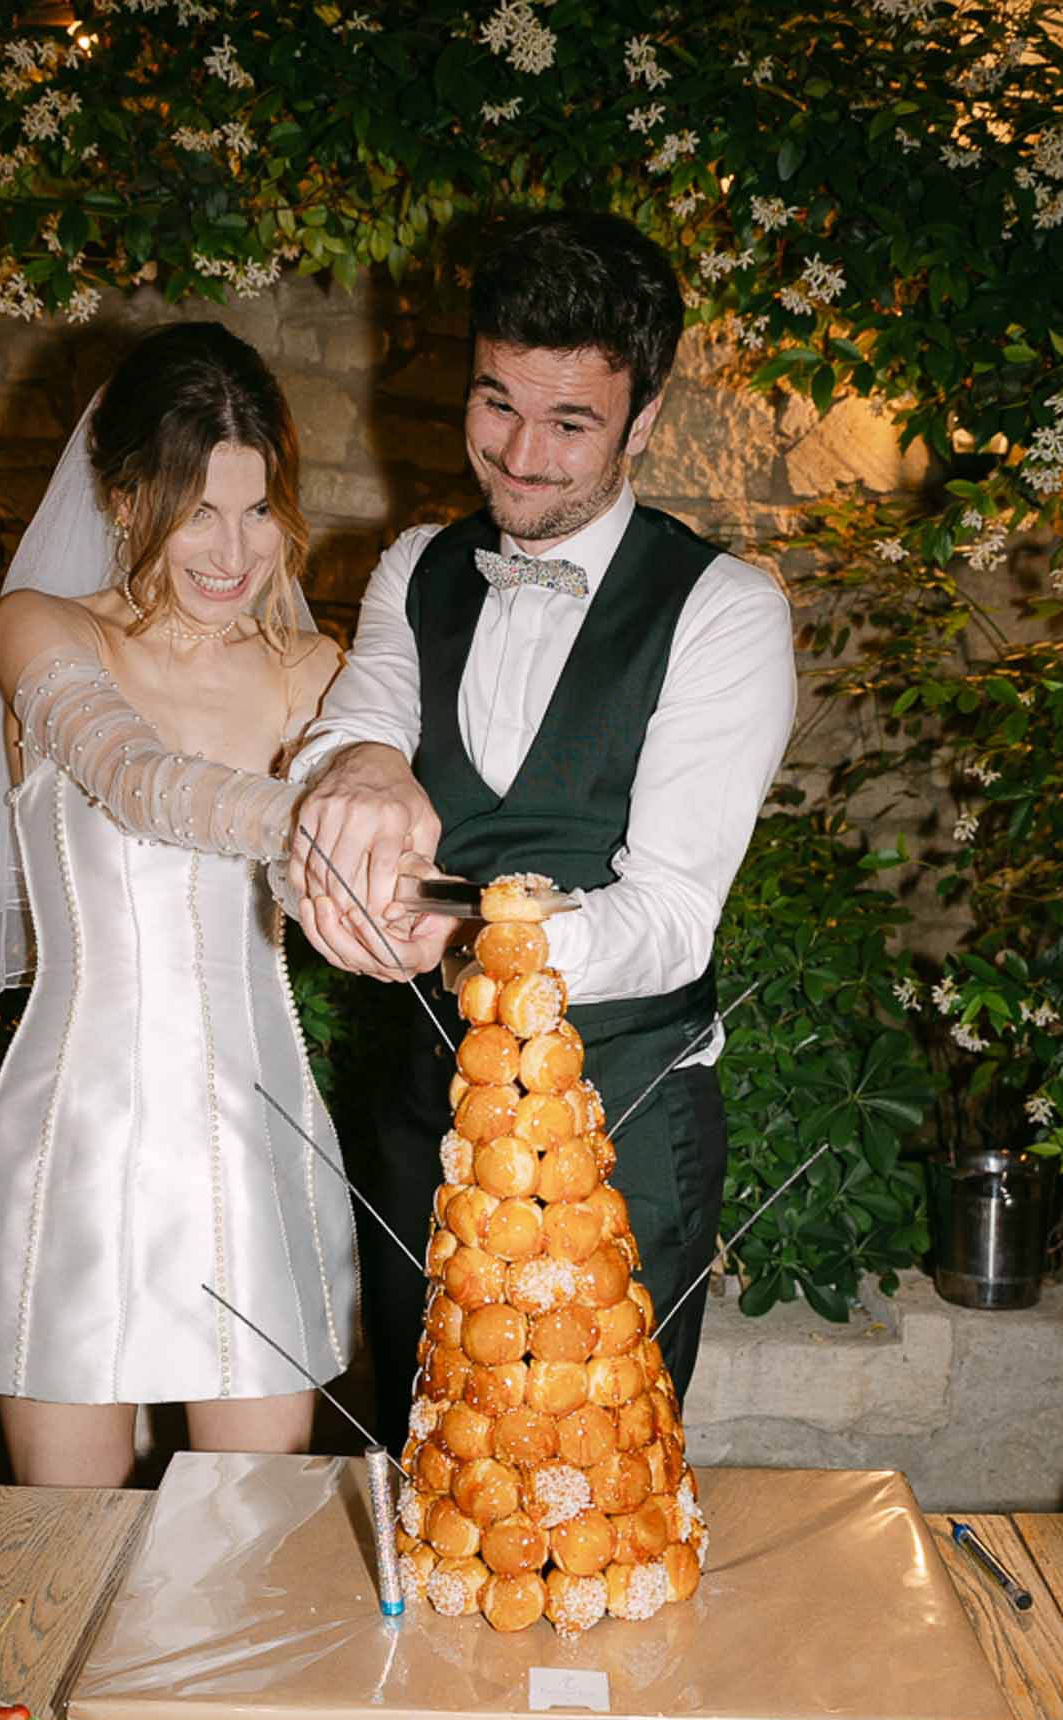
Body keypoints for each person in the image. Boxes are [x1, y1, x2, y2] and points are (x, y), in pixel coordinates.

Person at [288, 211, 797, 1454]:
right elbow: (355, 721)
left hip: (618, 1128)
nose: (518, 457)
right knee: (424, 1466)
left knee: (594, 1484)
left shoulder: (724, 610)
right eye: (496, 403)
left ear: (644, 418)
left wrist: (469, 936)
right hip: (425, 1119)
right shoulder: (417, 564)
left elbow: (670, 919)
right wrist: (358, 764)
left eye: (570, 423)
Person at [0, 322, 358, 1487]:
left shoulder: (317, 671)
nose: (234, 550)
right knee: (63, 1542)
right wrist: (318, 820)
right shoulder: (41, 628)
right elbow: (136, 781)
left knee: (249, 1535)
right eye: (196, 511)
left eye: (257, 510)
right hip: (79, 1137)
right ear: (125, 500)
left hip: (256, 1141)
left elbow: (352, 901)